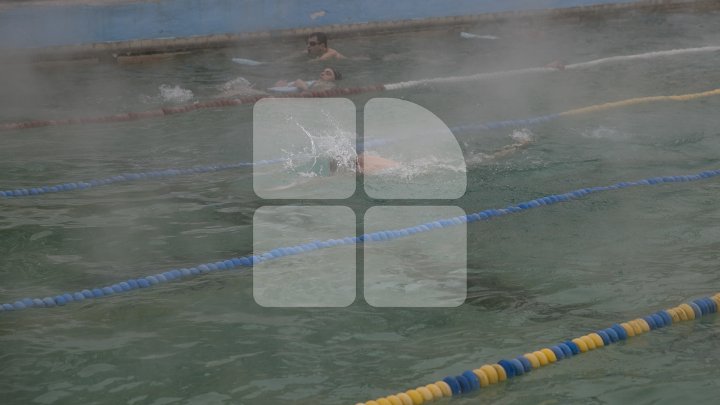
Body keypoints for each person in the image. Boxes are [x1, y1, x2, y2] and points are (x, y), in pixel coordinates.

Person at [273, 67, 342, 93]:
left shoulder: (330, 86)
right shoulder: (314, 82)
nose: (322, 73)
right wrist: (284, 86)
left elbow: (315, 97)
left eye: (328, 74)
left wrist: (303, 87)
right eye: (323, 72)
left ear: (334, 80)